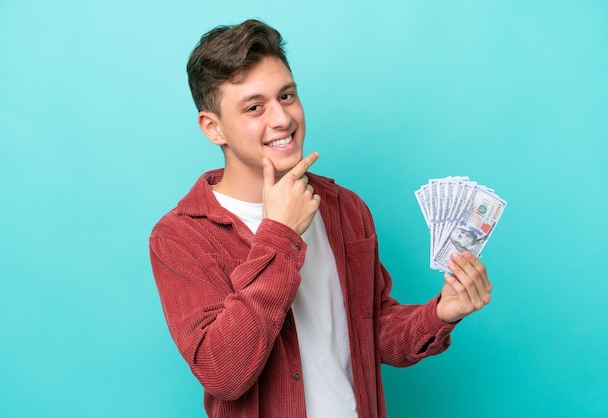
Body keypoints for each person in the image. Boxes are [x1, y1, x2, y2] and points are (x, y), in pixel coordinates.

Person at [149, 19, 493, 418]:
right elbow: (224, 374)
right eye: (255, 107)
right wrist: (278, 234)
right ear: (213, 128)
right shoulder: (180, 237)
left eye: (287, 96)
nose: (282, 119)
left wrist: (440, 312)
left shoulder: (345, 208)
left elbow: (372, 331)